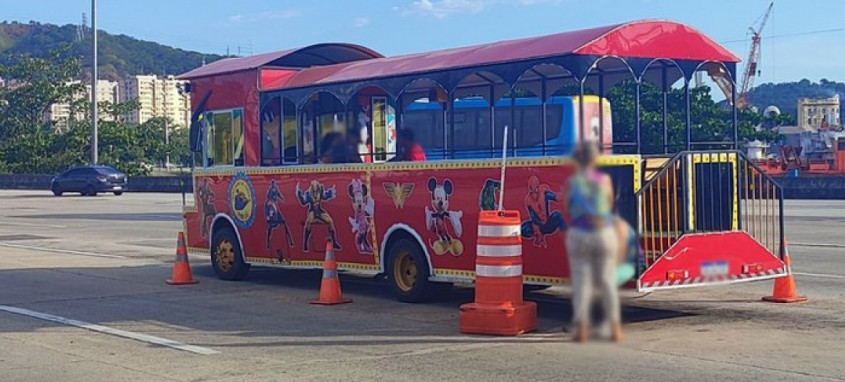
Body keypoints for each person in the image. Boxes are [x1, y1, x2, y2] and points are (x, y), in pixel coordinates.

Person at [563, 140, 623, 343]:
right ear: (595, 158)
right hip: (602, 231)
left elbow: (569, 207)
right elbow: (608, 202)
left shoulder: (573, 182)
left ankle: (582, 328)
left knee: (582, 283)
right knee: (607, 281)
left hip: (580, 232)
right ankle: (615, 327)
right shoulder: (604, 180)